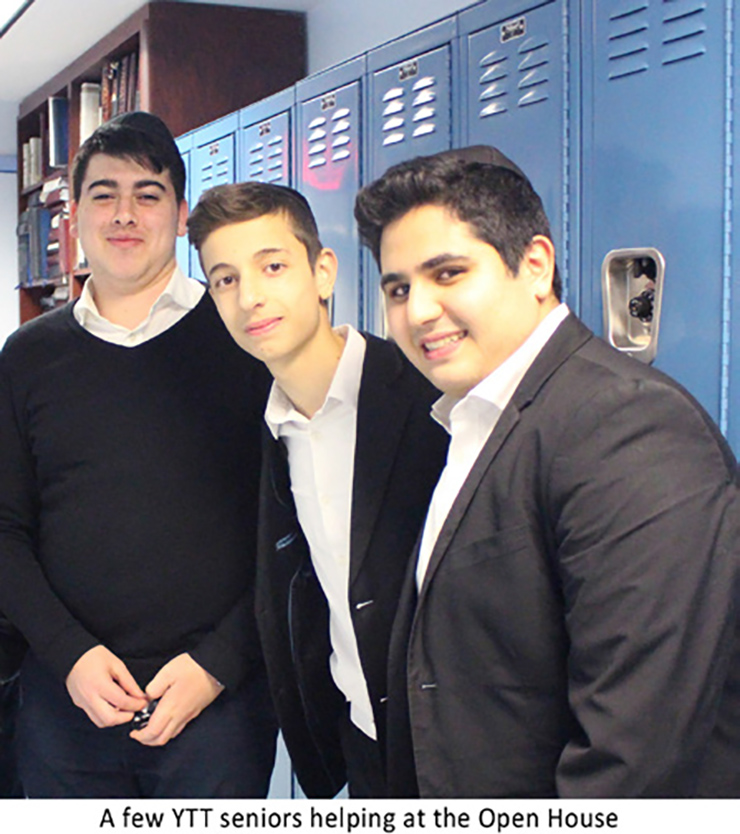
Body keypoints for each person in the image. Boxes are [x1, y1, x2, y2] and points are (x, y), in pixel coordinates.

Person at [353, 146, 740, 797]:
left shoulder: (626, 424)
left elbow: (635, 749)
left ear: (535, 265)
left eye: (448, 273)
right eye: (398, 289)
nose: (417, 311)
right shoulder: (476, 416)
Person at [0, 112, 276, 798]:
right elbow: (4, 530)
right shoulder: (27, 357)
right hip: (64, 703)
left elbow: (288, 531)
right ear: (74, 217)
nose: (125, 213)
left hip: (216, 707)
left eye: (148, 195)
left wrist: (220, 663)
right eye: (104, 194)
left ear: (181, 216)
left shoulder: (247, 342)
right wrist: (70, 656)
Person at [187, 181, 447, 797]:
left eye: (272, 266)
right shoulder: (268, 429)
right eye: (225, 279)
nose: (250, 296)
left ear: (323, 271)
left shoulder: (428, 398)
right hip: (363, 740)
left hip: (453, 744)